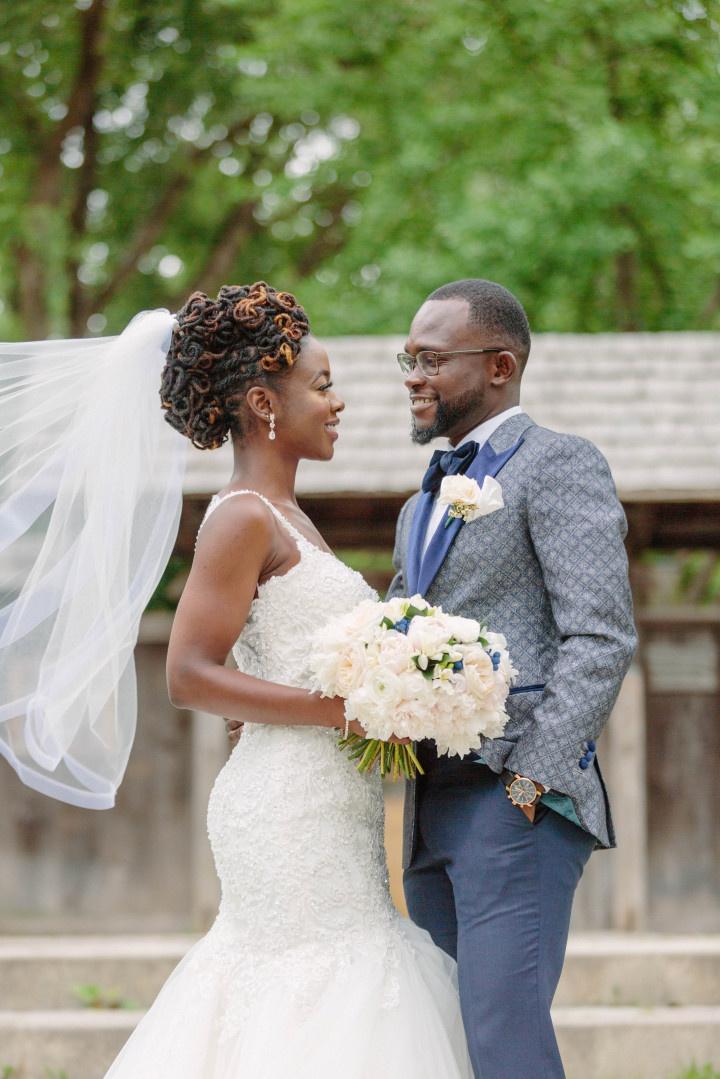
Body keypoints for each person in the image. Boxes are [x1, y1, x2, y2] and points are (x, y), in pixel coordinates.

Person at [96, 283, 472, 1077]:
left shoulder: (290, 514)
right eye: (323, 384)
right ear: (265, 402)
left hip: (332, 804)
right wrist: (344, 710)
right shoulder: (242, 516)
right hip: (286, 809)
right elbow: (189, 674)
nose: (338, 402)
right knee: (309, 996)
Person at [388, 279, 638, 1077]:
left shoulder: (559, 462)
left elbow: (601, 635)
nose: (412, 376)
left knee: (504, 1041)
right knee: (446, 1043)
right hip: (428, 807)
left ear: (499, 364)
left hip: (513, 802)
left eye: (431, 358)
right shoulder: (417, 500)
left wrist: (530, 779)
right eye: (409, 358)